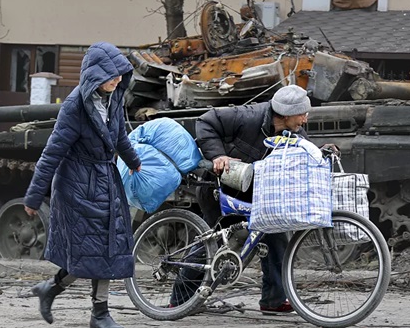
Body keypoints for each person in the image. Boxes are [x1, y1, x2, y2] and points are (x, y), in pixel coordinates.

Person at [172, 84, 334, 314]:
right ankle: (179, 300)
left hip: (257, 192)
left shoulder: (294, 131)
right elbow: (206, 121)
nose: (305, 120)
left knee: (277, 238)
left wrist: (323, 150)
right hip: (221, 189)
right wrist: (218, 154)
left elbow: (306, 150)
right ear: (286, 114)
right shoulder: (248, 117)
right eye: (302, 114)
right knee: (214, 241)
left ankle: (273, 300)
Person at [23, 42, 142, 328]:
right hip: (78, 186)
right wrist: (33, 195)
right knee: (94, 251)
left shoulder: (114, 99)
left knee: (105, 249)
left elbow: (119, 137)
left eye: (119, 74)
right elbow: (52, 152)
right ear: (95, 75)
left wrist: (134, 160)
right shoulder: (75, 107)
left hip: (106, 181)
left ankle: (52, 290)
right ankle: (99, 314)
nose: (116, 80)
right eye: (110, 75)